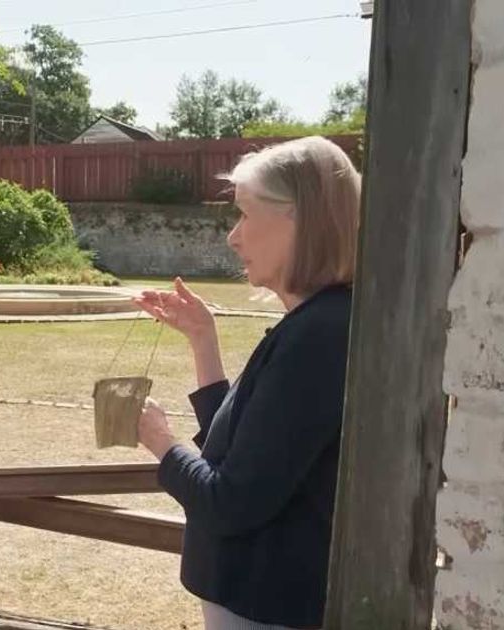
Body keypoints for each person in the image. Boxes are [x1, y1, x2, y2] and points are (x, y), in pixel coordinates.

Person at [132, 136, 360, 629]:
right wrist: (202, 340)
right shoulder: (320, 323)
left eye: (246, 215)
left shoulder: (317, 336)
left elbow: (229, 502)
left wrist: (162, 443)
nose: (234, 237)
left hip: (266, 608)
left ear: (300, 219)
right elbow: (247, 452)